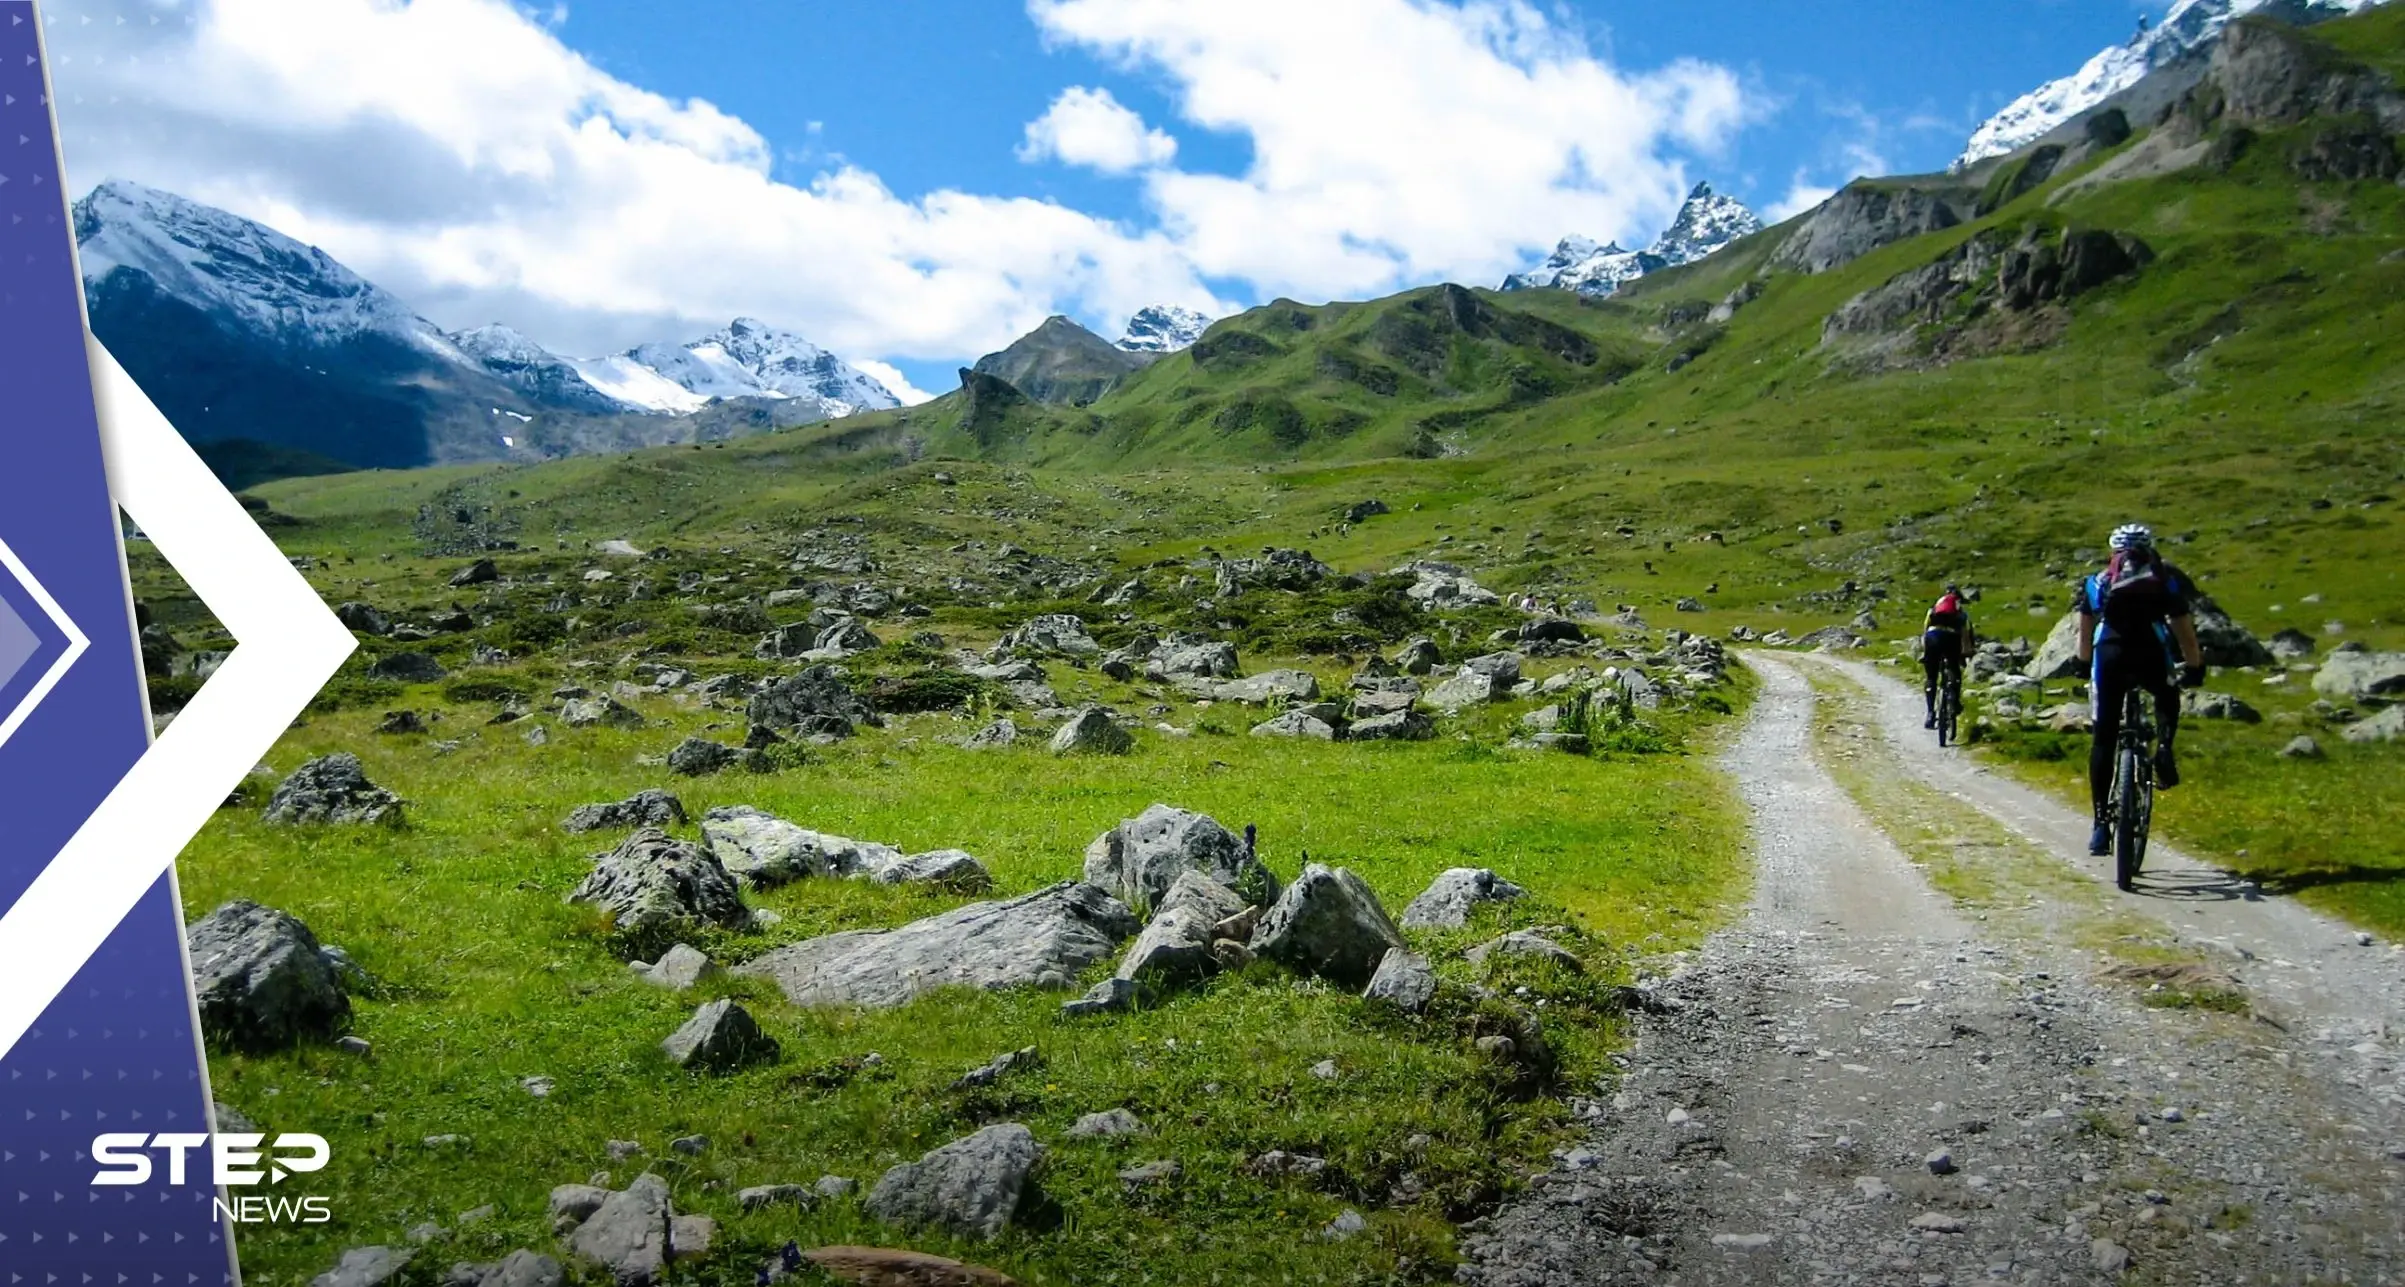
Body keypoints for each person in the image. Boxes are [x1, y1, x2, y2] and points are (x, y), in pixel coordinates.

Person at [2073, 524, 2206, 856]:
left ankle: (2101, 824)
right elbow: (2183, 629)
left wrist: (2081, 662)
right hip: (2150, 650)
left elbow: (2085, 632)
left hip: (2111, 651)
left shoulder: (2096, 582)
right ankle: (2164, 748)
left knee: (2104, 737)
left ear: (2113, 552)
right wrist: (2194, 666)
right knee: (2166, 693)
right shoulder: (2164, 580)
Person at [1922, 583, 1975, 729]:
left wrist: (1924, 652)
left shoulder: (1933, 609)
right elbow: (1966, 634)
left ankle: (1931, 714)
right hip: (1951, 639)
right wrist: (1966, 653)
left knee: (1931, 678)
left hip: (1932, 637)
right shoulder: (1961, 613)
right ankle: (1954, 701)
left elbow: (1925, 629)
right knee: (1954, 670)